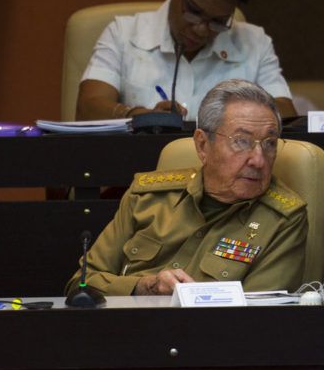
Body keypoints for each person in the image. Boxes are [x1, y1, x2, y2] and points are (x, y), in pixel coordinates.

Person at [65, 79, 307, 296]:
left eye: (269, 144)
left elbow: (255, 317)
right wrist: (144, 286)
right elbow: (81, 285)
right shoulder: (147, 197)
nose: (259, 159)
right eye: (242, 142)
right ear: (203, 145)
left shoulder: (283, 219)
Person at [76, 0, 297, 122]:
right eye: (194, 11)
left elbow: (286, 112)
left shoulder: (254, 43)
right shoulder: (123, 34)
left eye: (218, 21)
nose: (201, 30)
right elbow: (88, 107)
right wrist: (140, 116)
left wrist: (229, 119)